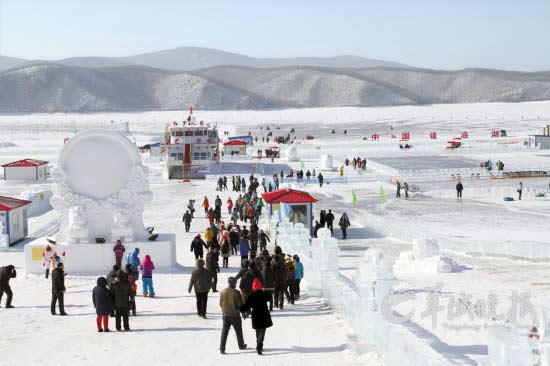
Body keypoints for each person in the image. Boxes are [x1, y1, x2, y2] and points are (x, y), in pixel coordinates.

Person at [240, 279, 273, 355]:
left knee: (257, 330)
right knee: (262, 331)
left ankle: (258, 343)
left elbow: (246, 307)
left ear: (253, 287)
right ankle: (259, 346)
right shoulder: (264, 294)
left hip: (256, 316)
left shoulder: (251, 296)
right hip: (264, 315)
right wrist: (264, 291)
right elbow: (270, 297)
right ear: (260, 286)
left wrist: (240, 309)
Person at [219, 277, 247, 354]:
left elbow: (221, 304)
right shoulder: (236, 292)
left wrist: (224, 311)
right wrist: (243, 313)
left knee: (224, 332)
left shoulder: (223, 292)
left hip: (225, 315)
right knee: (238, 331)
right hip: (235, 315)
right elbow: (240, 305)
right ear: (234, 283)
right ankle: (241, 345)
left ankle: (222, 348)